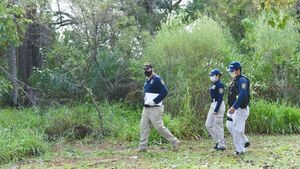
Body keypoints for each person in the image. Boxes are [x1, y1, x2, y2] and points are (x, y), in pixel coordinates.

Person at [138, 63, 180, 152]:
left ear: (152, 69)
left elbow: (165, 92)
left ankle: (174, 141)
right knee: (143, 126)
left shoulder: (157, 79)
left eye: (148, 69)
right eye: (145, 69)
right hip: (146, 108)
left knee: (159, 127)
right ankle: (142, 147)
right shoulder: (147, 80)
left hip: (155, 108)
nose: (147, 71)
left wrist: (154, 101)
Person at [227, 61, 251, 156]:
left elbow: (242, 95)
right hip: (234, 108)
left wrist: (234, 107)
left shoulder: (242, 80)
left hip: (240, 109)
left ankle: (240, 150)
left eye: (232, 71)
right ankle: (244, 141)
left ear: (238, 70)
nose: (231, 72)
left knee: (237, 130)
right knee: (229, 124)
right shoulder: (235, 80)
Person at [205, 69, 226, 151]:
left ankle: (221, 145)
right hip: (213, 104)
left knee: (218, 125)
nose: (211, 77)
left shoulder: (220, 84)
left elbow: (220, 97)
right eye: (210, 75)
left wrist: (216, 109)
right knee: (208, 125)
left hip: (219, 105)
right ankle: (219, 140)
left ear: (217, 76)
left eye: (213, 75)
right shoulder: (214, 84)